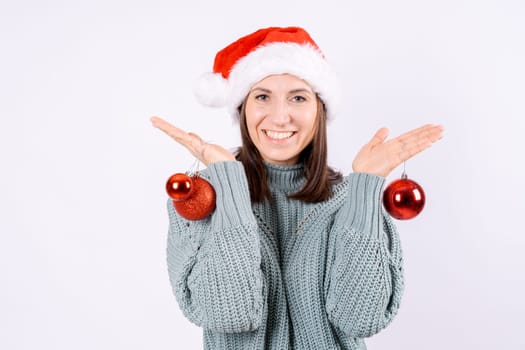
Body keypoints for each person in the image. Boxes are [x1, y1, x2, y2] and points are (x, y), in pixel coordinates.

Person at [151, 26, 443, 350]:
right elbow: (227, 313)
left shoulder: (352, 200)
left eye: (298, 98)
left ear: (320, 110)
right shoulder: (199, 198)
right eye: (262, 96)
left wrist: (366, 185)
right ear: (242, 108)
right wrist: (229, 181)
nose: (279, 117)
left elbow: (361, 318)